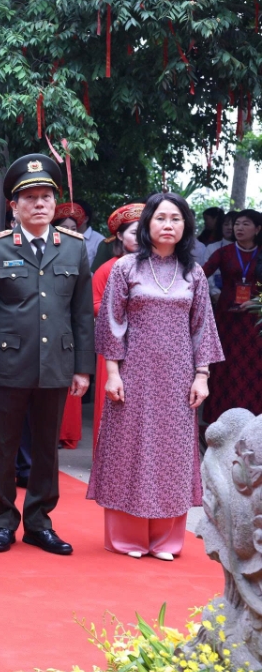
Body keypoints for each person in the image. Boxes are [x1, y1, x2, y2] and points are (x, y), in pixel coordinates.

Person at [0, 154, 95, 556]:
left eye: (46, 197)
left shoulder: (74, 249)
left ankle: (40, 522)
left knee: (46, 447)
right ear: (15, 206)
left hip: (56, 364)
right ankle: (3, 521)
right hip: (8, 364)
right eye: (30, 198)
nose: (40, 204)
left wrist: (83, 368)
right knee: (4, 447)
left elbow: (81, 315)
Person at [91, 192, 222, 560]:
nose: (168, 225)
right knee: (129, 450)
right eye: (161, 218)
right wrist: (112, 372)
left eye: (176, 219)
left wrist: (202, 376)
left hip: (179, 375)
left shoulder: (193, 272)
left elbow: (202, 327)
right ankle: (128, 537)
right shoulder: (126, 268)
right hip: (134, 371)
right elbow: (111, 322)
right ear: (148, 224)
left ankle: (166, 540)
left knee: (173, 453)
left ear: (186, 227)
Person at [90, 204, 144, 449]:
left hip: (147, 345)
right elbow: (94, 303)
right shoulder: (107, 268)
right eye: (134, 232)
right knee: (113, 401)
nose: (141, 238)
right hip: (115, 343)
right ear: (120, 236)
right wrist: (128, 314)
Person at [202, 209, 262, 421]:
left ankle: (252, 418)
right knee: (224, 367)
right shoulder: (223, 252)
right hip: (226, 320)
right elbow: (201, 275)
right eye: (237, 224)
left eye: (246, 224)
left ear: (257, 229)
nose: (239, 228)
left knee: (252, 368)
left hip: (254, 321)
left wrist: (256, 301)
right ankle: (218, 418)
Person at [52, 202, 89, 450]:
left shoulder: (80, 251)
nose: (69, 231)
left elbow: (83, 311)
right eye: (63, 227)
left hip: (68, 338)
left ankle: (65, 433)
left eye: (73, 228)